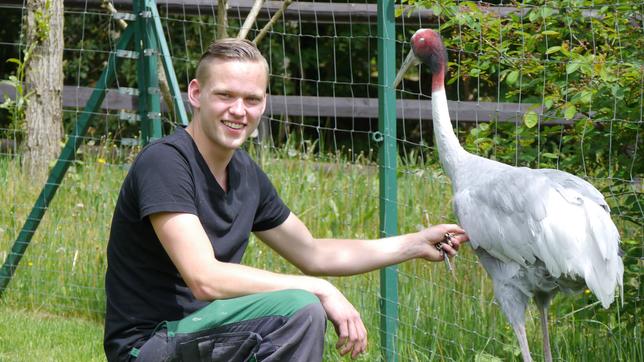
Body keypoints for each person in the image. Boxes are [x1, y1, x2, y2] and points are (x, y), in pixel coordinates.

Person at [104, 38, 468, 362]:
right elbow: (205, 277)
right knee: (300, 309)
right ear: (196, 94)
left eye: (251, 99)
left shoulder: (246, 175)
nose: (238, 110)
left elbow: (313, 252)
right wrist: (319, 288)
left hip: (210, 338)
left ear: (264, 104)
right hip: (149, 347)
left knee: (299, 308)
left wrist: (414, 243)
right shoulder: (165, 162)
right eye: (225, 95)